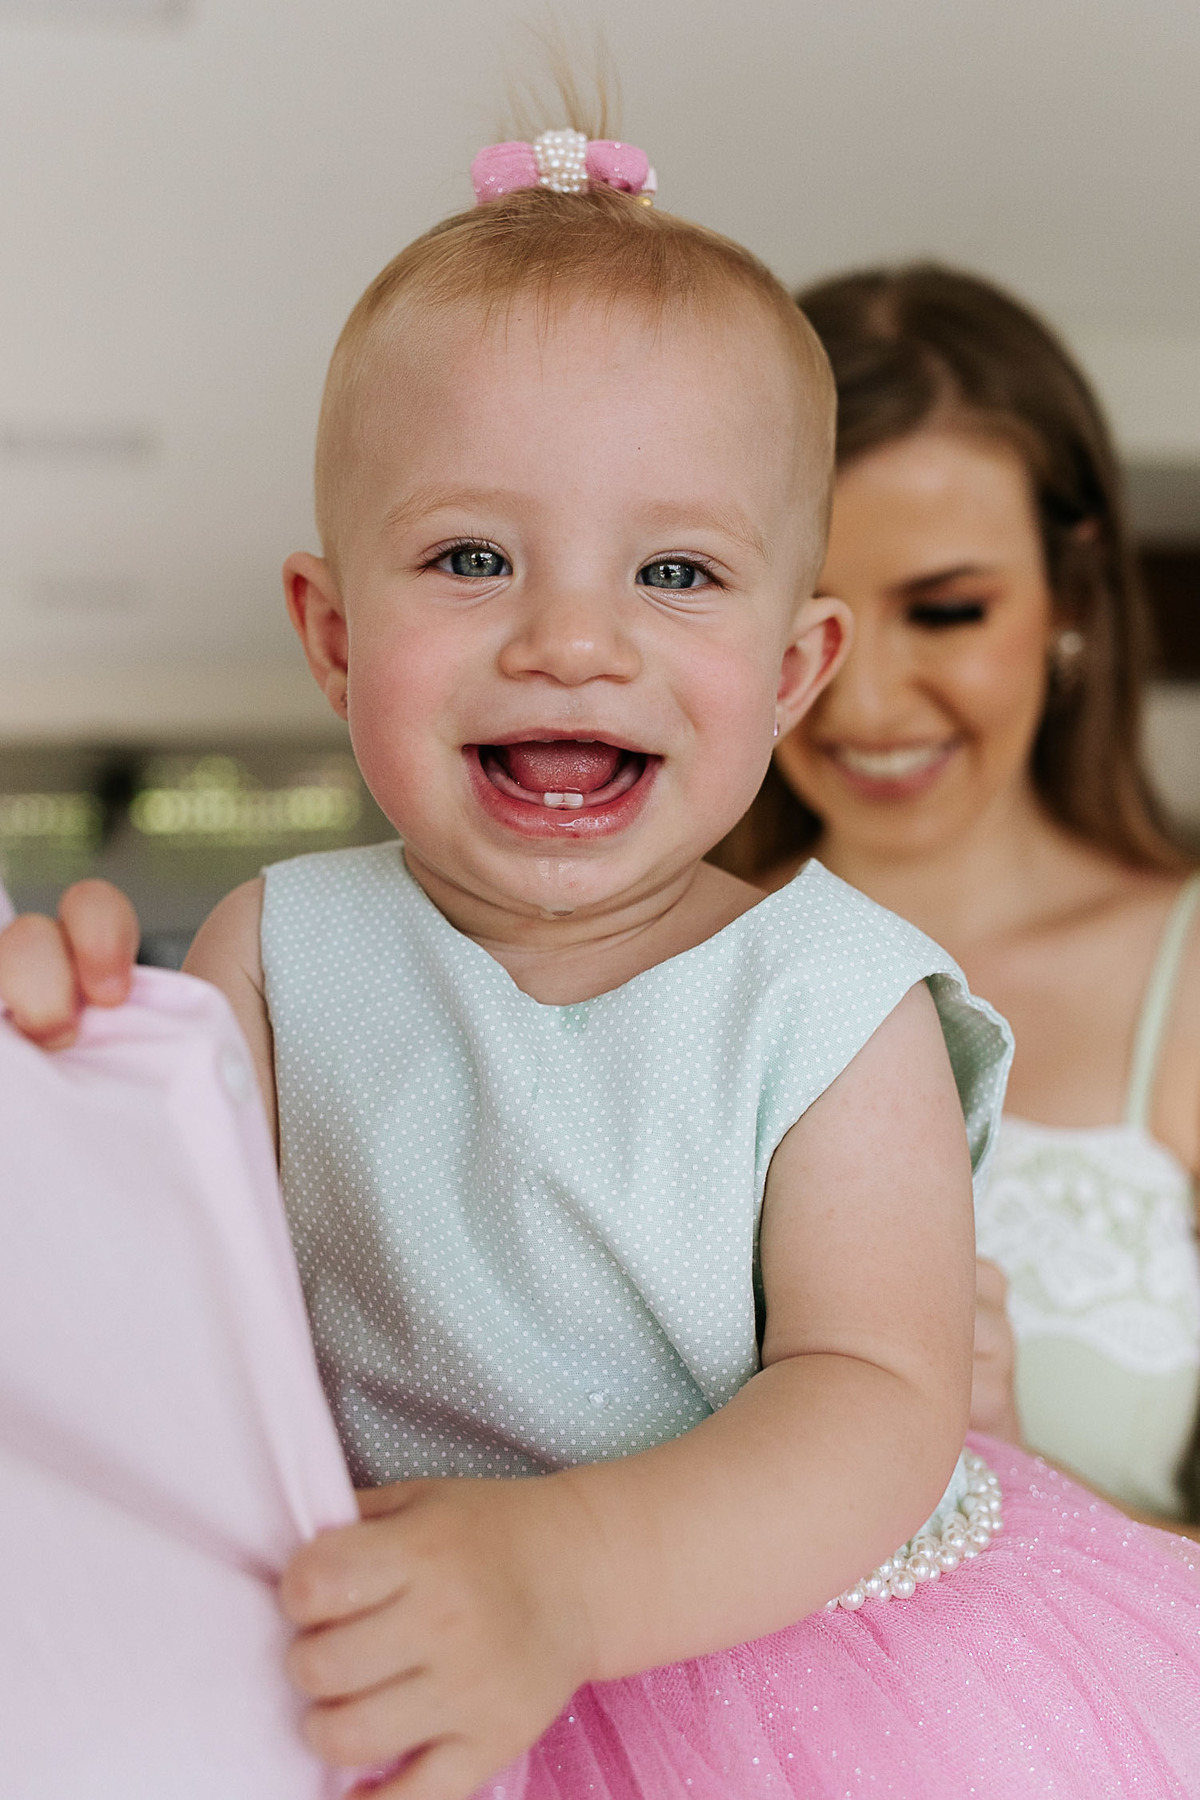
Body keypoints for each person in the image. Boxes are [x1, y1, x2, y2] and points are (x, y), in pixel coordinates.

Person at [3, 129, 1200, 1800]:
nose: (571, 637)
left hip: (778, 1686)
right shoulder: (279, 949)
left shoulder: (841, 999)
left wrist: (564, 1578)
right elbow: (168, 1331)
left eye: (675, 573)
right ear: (334, 636)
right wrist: (70, 1089)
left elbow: (874, 1397)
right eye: (471, 558)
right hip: (390, 1657)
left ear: (791, 668)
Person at [714, 263, 1200, 1533]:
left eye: (945, 611)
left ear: (1071, 598)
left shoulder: (1187, 976)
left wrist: (1012, 1475)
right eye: (808, 612)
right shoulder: (650, 960)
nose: (866, 701)